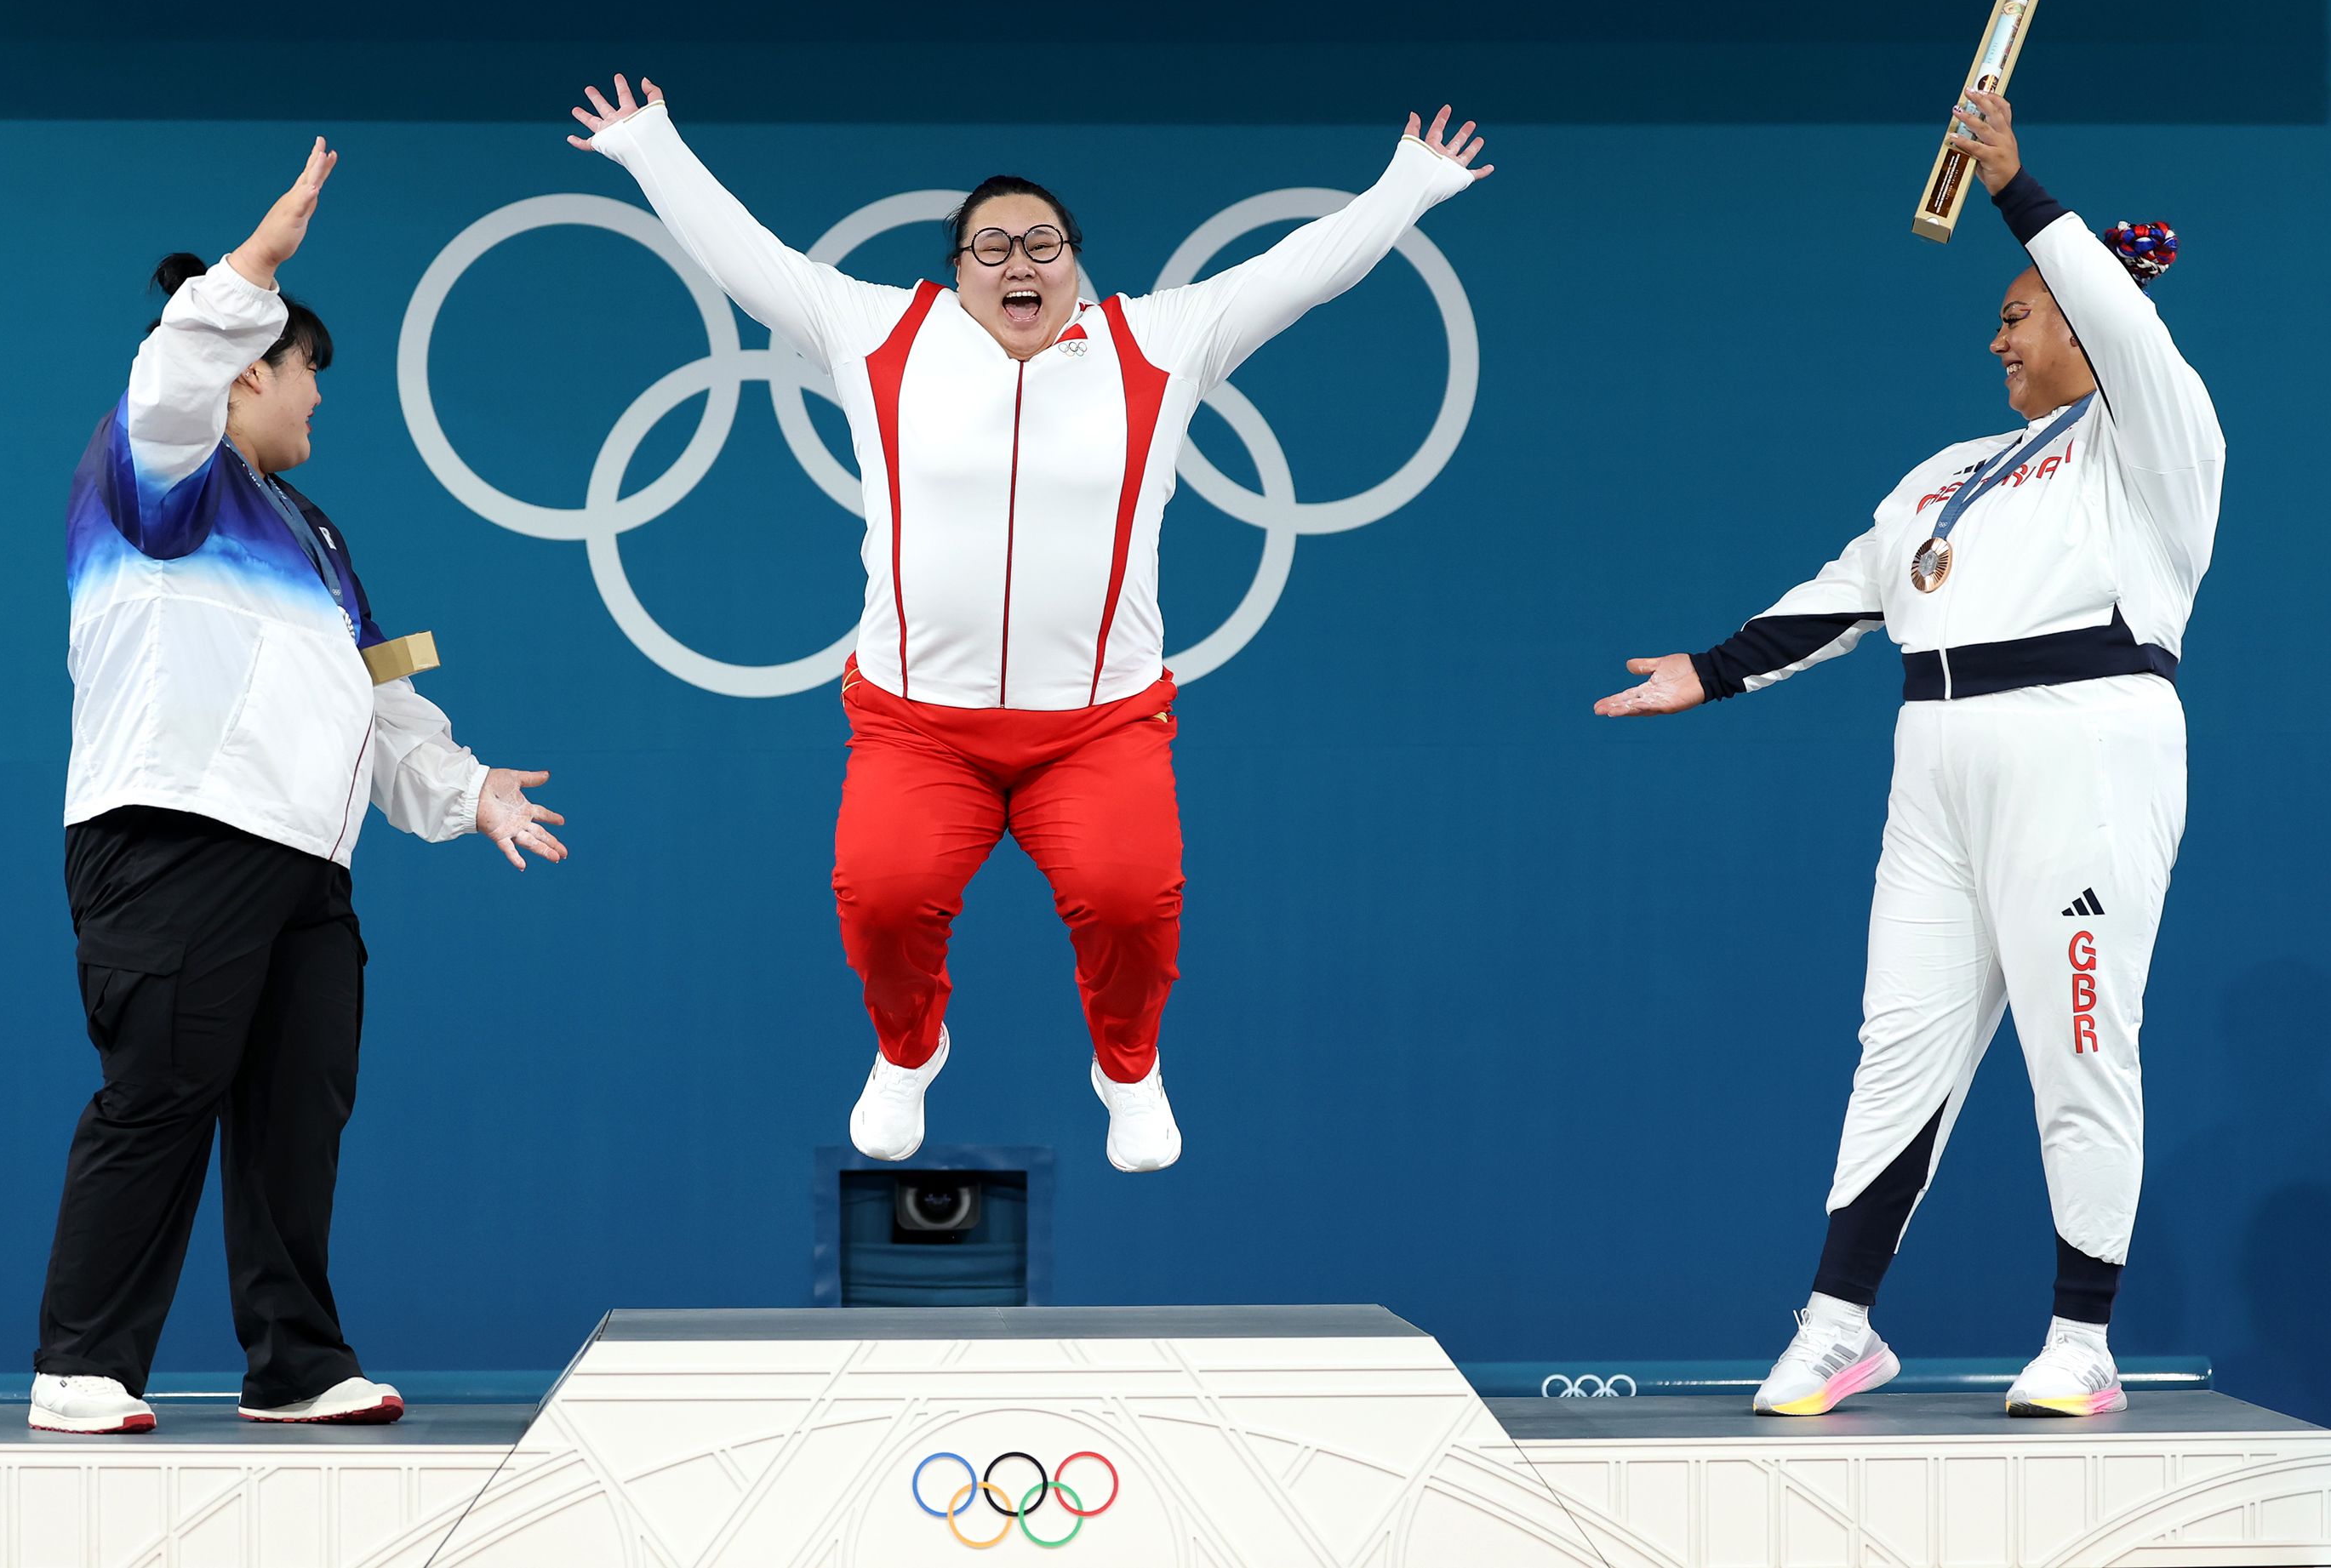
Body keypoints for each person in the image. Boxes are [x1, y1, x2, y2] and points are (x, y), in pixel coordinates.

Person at [567, 73, 1490, 1172]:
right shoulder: (878, 335)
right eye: (991, 246)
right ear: (954, 272)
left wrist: (1407, 185)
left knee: (1132, 898)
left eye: (1043, 244)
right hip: (918, 723)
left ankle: (1128, 1067)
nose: (1019, 264)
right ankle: (908, 1051)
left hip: (1098, 724)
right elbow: (744, 254)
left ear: (1079, 262)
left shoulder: (1161, 342)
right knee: (882, 894)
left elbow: (1299, 272)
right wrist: (651, 146)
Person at [1595, 87, 2220, 1417]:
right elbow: (1852, 589)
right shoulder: (1949, 468)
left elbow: (2120, 315)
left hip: (2086, 742)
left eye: (2020, 311)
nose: (1995, 333)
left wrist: (2014, 187)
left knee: (2081, 1040)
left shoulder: (2155, 438)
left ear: (2081, 309)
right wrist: (1708, 672)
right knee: (1900, 1046)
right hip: (1933, 758)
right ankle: (1838, 1324)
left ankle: (2081, 1340)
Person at [31, 140, 568, 1434]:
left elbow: (381, 697)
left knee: (294, 1117)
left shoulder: (316, 533)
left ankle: (293, 1362)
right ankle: (82, 1365)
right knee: (161, 1091)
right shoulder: (157, 474)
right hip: (174, 837)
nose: (321, 397)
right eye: (309, 369)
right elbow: (170, 381)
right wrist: (253, 269)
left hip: (305, 866)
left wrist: (466, 786)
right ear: (245, 370)